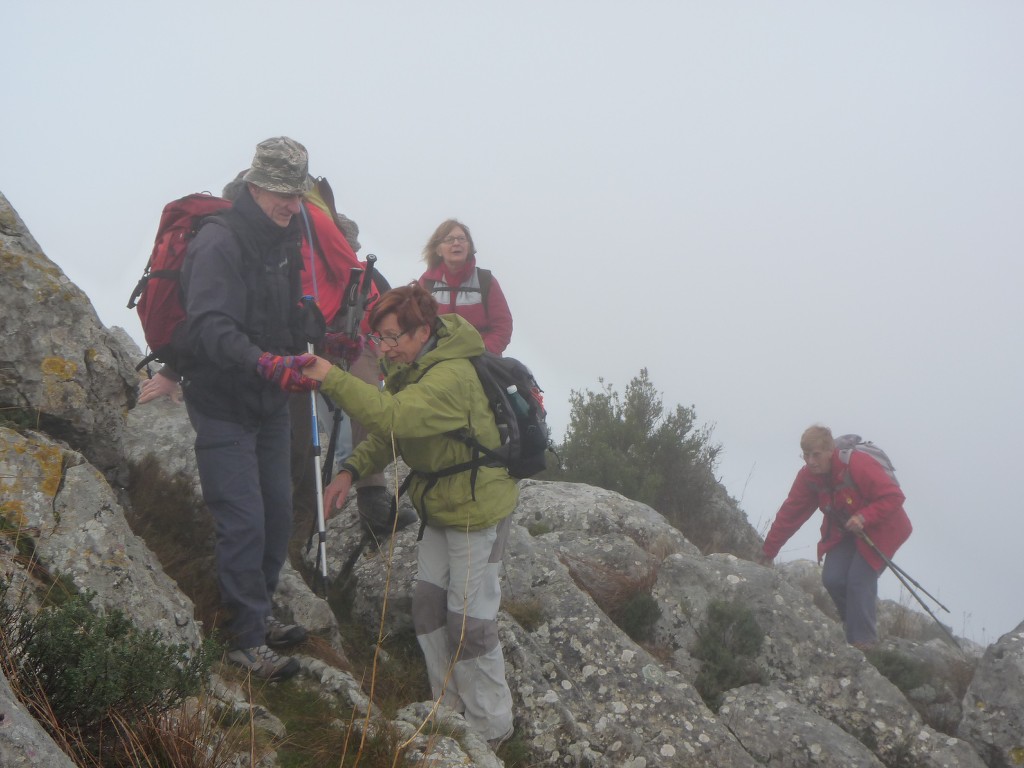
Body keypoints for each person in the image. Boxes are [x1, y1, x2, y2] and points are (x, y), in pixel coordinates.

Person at [140, 171, 412, 538]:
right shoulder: (245, 240)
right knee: (299, 440)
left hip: (321, 335)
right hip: (290, 345)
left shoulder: (307, 221)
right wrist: (173, 369)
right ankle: (306, 526)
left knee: (347, 412)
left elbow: (354, 272)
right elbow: (221, 317)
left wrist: (359, 331)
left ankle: (368, 500)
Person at [301, 283, 517, 746]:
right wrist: (350, 470)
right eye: (379, 338)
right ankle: (448, 703)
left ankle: (492, 728)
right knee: (427, 608)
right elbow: (390, 432)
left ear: (424, 331)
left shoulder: (450, 377)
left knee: (469, 623)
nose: (386, 348)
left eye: (394, 337)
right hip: (442, 504)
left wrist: (332, 378)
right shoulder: (414, 367)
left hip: (477, 512)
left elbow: (396, 418)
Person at [177, 136, 323, 681]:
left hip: (267, 403)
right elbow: (210, 327)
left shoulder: (280, 240)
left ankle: (257, 616)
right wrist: (266, 363)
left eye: (298, 195)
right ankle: (243, 639)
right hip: (221, 402)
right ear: (255, 185)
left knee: (277, 515)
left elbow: (282, 317)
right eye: (283, 194)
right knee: (242, 520)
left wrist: (312, 339)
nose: (292, 205)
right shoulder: (219, 242)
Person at [758, 425, 912, 649]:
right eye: (806, 455)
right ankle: (853, 627)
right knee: (833, 578)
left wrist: (864, 516)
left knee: (859, 581)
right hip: (847, 530)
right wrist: (768, 551)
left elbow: (893, 496)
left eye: (816, 455)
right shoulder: (809, 477)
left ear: (831, 450)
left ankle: (864, 645)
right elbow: (791, 513)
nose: (810, 461)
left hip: (883, 528)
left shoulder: (858, 464)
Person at [418, 219, 513, 355]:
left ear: (469, 247)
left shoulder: (485, 281)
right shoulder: (427, 283)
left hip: (481, 359)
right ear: (438, 250)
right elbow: (417, 325)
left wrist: (484, 351)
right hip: (438, 359)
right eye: (449, 239)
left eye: (462, 239)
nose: (456, 243)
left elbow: (503, 325)